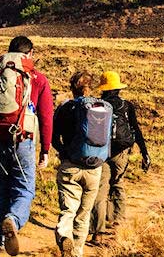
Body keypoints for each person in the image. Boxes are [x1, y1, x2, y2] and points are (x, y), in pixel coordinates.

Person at [0, 36, 54, 256]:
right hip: (22, 138)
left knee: (1, 188)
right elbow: (46, 116)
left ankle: (2, 240)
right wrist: (46, 150)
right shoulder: (38, 78)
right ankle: (14, 219)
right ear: (29, 53)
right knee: (25, 187)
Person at [52, 72, 111, 257]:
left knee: (68, 210)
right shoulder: (101, 107)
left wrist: (63, 152)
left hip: (70, 164)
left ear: (72, 88)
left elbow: (54, 137)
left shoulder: (66, 107)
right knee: (84, 215)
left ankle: (63, 237)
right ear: (90, 87)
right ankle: (77, 252)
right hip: (95, 167)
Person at [88, 71, 151, 243]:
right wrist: (144, 152)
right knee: (118, 184)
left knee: (101, 189)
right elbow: (135, 130)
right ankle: (118, 224)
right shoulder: (126, 105)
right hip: (121, 153)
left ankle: (98, 232)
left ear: (103, 88)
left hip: (101, 152)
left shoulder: (97, 105)